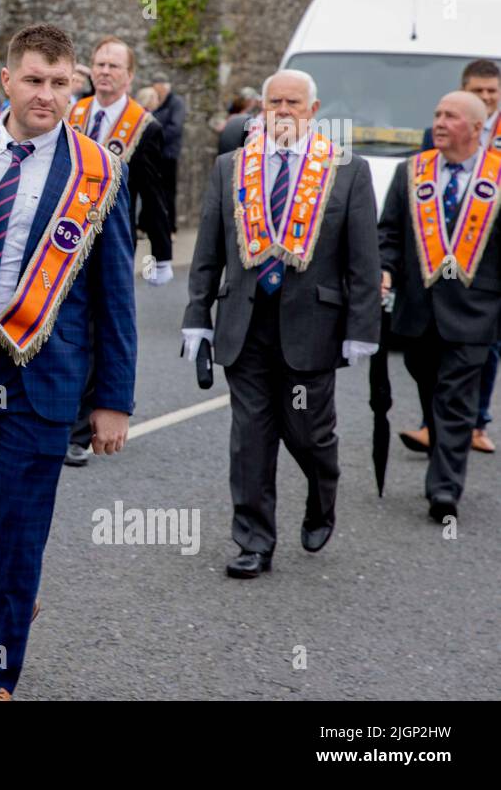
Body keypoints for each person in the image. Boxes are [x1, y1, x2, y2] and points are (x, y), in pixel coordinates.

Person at [0, 23, 136, 700]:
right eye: (33, 80)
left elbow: (115, 296)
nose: (46, 95)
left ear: (73, 83)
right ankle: (5, 610)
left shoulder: (98, 170)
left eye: (59, 83)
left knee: (20, 528)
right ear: (6, 77)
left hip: (42, 373)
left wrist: (113, 398)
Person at [183, 69, 381, 577]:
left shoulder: (347, 169)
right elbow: (207, 252)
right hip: (245, 324)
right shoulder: (232, 167)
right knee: (250, 434)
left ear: (313, 112)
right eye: (275, 102)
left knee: (309, 434)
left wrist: (362, 329)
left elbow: (363, 259)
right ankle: (253, 540)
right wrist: (196, 319)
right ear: (262, 109)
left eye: (294, 102)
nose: (284, 110)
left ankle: (322, 495)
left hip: (313, 326)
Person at [379, 91, 501, 523]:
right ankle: (442, 443)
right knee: (431, 388)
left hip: (475, 312)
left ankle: (444, 489)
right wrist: (385, 268)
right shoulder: (411, 173)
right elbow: (389, 232)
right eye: (436, 114)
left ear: (474, 127)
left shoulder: (498, 176)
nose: (440, 122)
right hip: (419, 309)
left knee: (456, 399)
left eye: (450, 116)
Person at [403, 58, 501, 455]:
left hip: (486, 269)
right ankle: (436, 422)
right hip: (439, 262)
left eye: (492, 91)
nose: (486, 97)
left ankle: (475, 422)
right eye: (478, 91)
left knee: (485, 351)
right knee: (430, 351)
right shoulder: (437, 132)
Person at [67, 36, 172, 286]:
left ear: (130, 75)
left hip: (113, 239)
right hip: (66, 232)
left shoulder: (145, 126)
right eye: (99, 64)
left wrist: (162, 253)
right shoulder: (72, 113)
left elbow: (153, 192)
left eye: (113, 66)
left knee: (111, 319)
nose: (104, 71)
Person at [151, 73, 186, 233]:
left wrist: (154, 137)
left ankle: (171, 227)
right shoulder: (158, 102)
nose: (157, 95)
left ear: (165, 87)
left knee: (168, 192)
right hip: (156, 154)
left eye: (159, 91)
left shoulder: (176, 103)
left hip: (168, 154)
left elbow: (175, 128)